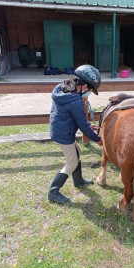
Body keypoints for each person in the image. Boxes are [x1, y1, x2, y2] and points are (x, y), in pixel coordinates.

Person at [48, 64, 103, 204]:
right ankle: (53, 192)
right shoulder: (76, 101)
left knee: (77, 151)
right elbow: (83, 127)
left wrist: (88, 125)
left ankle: (78, 180)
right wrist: (99, 140)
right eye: (90, 90)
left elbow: (72, 117)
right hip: (64, 134)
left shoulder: (62, 88)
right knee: (71, 162)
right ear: (84, 86)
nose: (89, 93)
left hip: (60, 129)